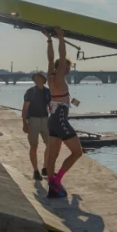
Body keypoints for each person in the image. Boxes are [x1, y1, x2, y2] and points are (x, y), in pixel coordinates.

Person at [44, 27, 82, 199]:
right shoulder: (59, 77)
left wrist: (49, 40)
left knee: (53, 155)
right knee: (77, 152)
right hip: (59, 119)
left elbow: (51, 58)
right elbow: (59, 56)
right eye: (67, 67)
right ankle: (57, 179)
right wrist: (61, 37)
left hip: (53, 120)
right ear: (61, 68)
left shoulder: (51, 77)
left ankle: (52, 185)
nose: (68, 70)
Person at [22, 71, 52, 181]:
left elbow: (50, 106)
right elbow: (25, 108)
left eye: (39, 78)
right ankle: (35, 170)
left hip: (45, 120)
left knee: (50, 145)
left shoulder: (47, 92)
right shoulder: (30, 92)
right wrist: (24, 123)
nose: (37, 79)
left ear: (44, 80)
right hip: (33, 120)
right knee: (34, 146)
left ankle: (45, 167)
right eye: (35, 78)